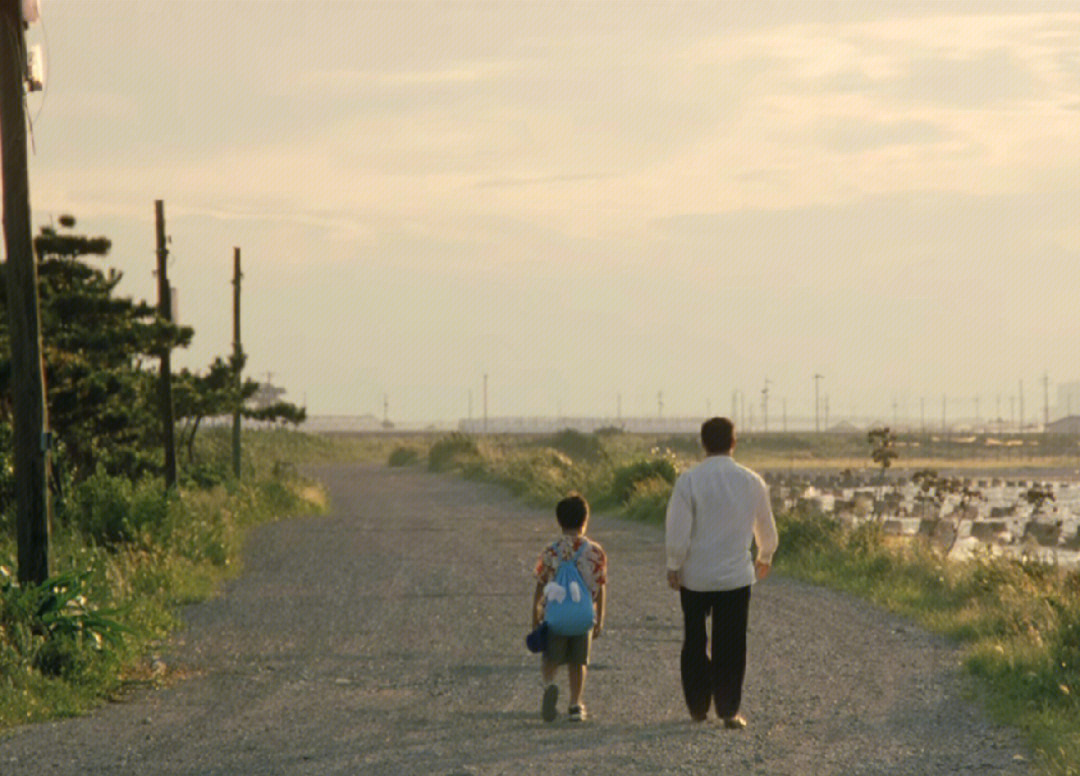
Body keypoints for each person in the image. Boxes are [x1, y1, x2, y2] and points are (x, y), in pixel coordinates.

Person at [665, 417, 778, 728]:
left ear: (703, 443)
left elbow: (677, 529)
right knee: (731, 643)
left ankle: (698, 707)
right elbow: (766, 528)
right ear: (734, 442)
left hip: (695, 576)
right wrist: (765, 554)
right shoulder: (752, 481)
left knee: (695, 640)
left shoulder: (689, 481)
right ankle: (728, 710)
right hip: (735, 577)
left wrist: (674, 564)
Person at [532, 493, 607, 722]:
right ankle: (575, 704)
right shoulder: (595, 552)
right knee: (578, 662)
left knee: (550, 659)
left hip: (555, 616)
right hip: (582, 616)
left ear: (559, 521)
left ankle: (550, 685)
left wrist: (535, 614)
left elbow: (540, 584)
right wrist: (599, 618)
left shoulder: (550, 551)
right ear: (585, 521)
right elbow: (600, 586)